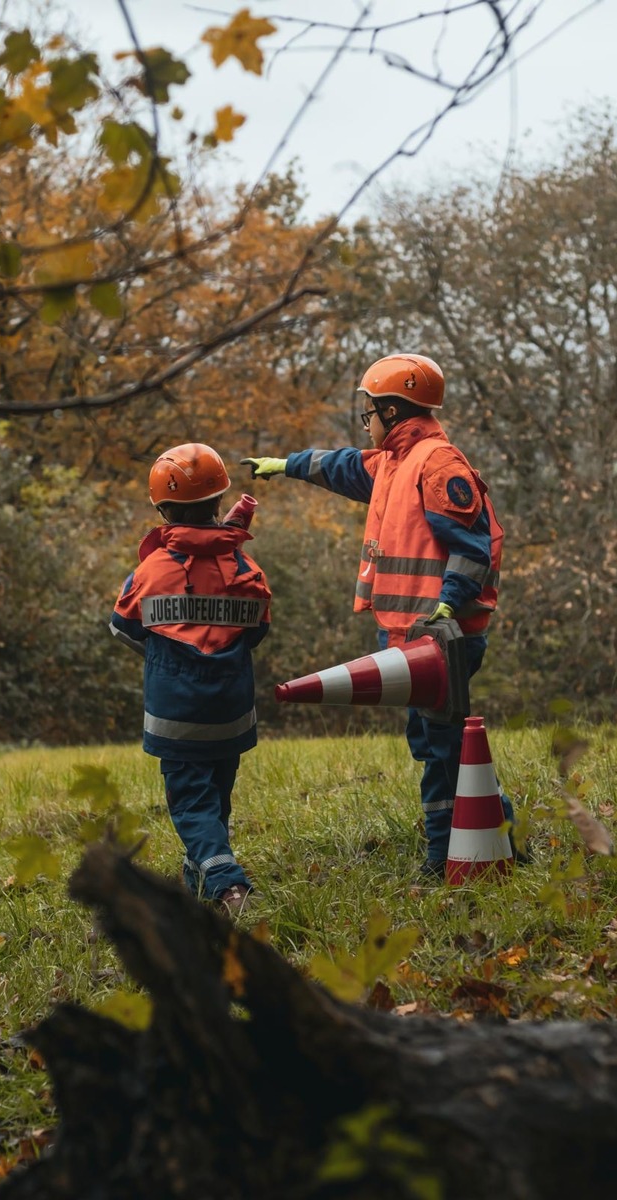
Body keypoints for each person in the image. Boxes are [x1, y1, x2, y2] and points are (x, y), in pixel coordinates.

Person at [241, 353, 516, 879]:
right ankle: (493, 835)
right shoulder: (394, 461)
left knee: (442, 748)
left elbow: (472, 548)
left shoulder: (437, 463)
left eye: (368, 412)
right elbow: (345, 466)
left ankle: (450, 855)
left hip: (442, 635)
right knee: (439, 743)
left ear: (391, 412)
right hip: (410, 636)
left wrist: (448, 602)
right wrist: (289, 464)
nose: (364, 422)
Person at [110, 443, 271, 914]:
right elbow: (257, 632)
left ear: (162, 508)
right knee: (215, 799)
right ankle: (198, 889)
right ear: (220, 503)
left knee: (191, 804)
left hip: (176, 712)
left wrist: (169, 652)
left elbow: (122, 628)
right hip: (232, 711)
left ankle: (226, 883)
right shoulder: (245, 569)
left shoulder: (150, 570)